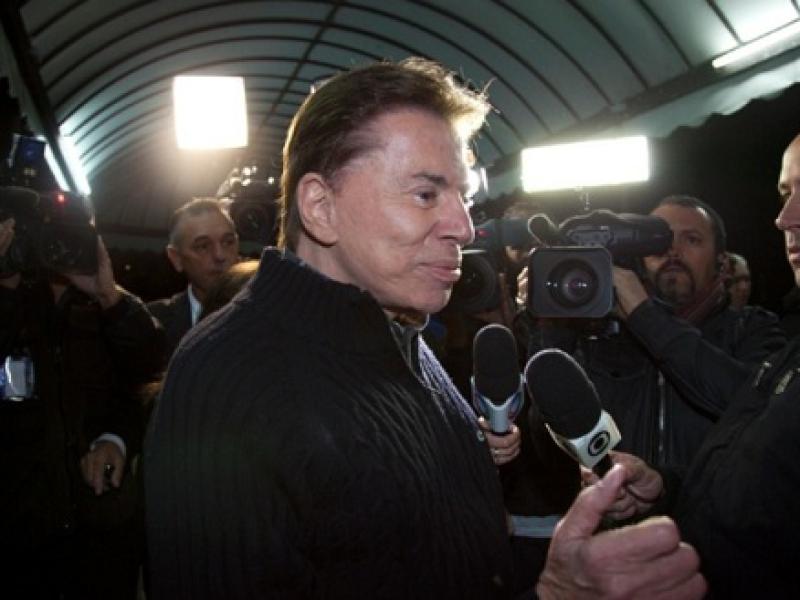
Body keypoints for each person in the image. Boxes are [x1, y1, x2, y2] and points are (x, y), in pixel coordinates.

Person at [144, 58, 704, 598]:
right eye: (426, 194)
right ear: (320, 207)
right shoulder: (224, 378)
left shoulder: (400, 333)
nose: (464, 226)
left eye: (463, 197)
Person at [526, 195, 785, 472]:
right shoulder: (603, 337)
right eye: (657, 240)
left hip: (715, 501)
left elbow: (758, 410)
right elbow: (546, 450)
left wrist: (645, 316)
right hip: (616, 498)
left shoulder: (753, 329)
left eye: (692, 240)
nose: (672, 250)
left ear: (721, 263)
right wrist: (554, 324)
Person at [0, 209, 164, 598]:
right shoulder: (13, 302)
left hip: (100, 527)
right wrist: (5, 289)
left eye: (69, 234)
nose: (54, 245)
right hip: (19, 530)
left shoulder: (103, 305)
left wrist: (108, 295)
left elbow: (149, 374)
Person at [146, 197, 239, 358]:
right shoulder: (152, 323)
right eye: (203, 246)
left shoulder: (269, 315)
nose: (220, 255)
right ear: (176, 258)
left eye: (228, 242)